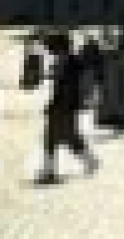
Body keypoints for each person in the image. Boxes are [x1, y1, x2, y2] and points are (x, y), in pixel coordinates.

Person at [38, 33, 98, 182]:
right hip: (62, 105)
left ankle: (51, 169)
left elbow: (70, 87)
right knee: (55, 136)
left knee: (64, 136)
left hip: (66, 105)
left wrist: (65, 103)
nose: (50, 51)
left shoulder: (72, 63)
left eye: (52, 48)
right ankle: (51, 168)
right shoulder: (66, 62)